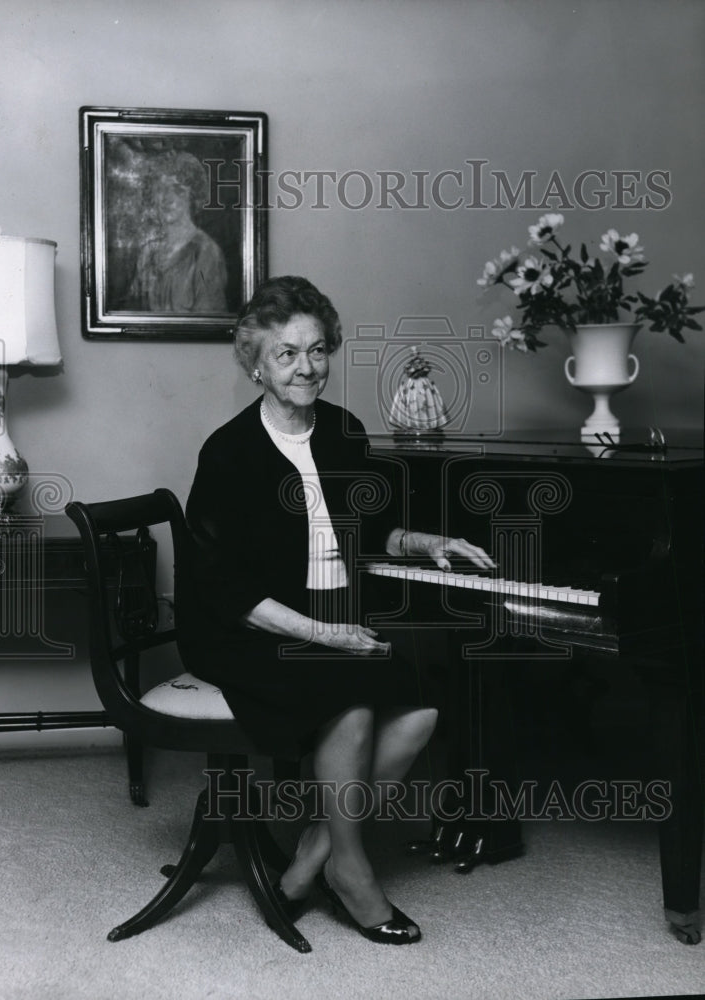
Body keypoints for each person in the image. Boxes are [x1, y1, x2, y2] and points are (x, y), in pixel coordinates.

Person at [181, 275, 494, 945]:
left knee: (421, 709)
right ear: (256, 363)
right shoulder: (229, 453)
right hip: (245, 629)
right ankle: (352, 873)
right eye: (287, 353)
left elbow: (373, 528)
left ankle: (309, 860)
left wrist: (431, 539)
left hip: (328, 618)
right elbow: (223, 590)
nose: (307, 367)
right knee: (351, 698)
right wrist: (327, 635)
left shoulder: (343, 431)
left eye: (317, 349)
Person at [126, 151, 227, 314]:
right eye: (160, 189)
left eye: (177, 190)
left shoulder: (206, 252)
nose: (167, 198)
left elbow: (208, 326)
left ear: (193, 196)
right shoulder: (147, 254)